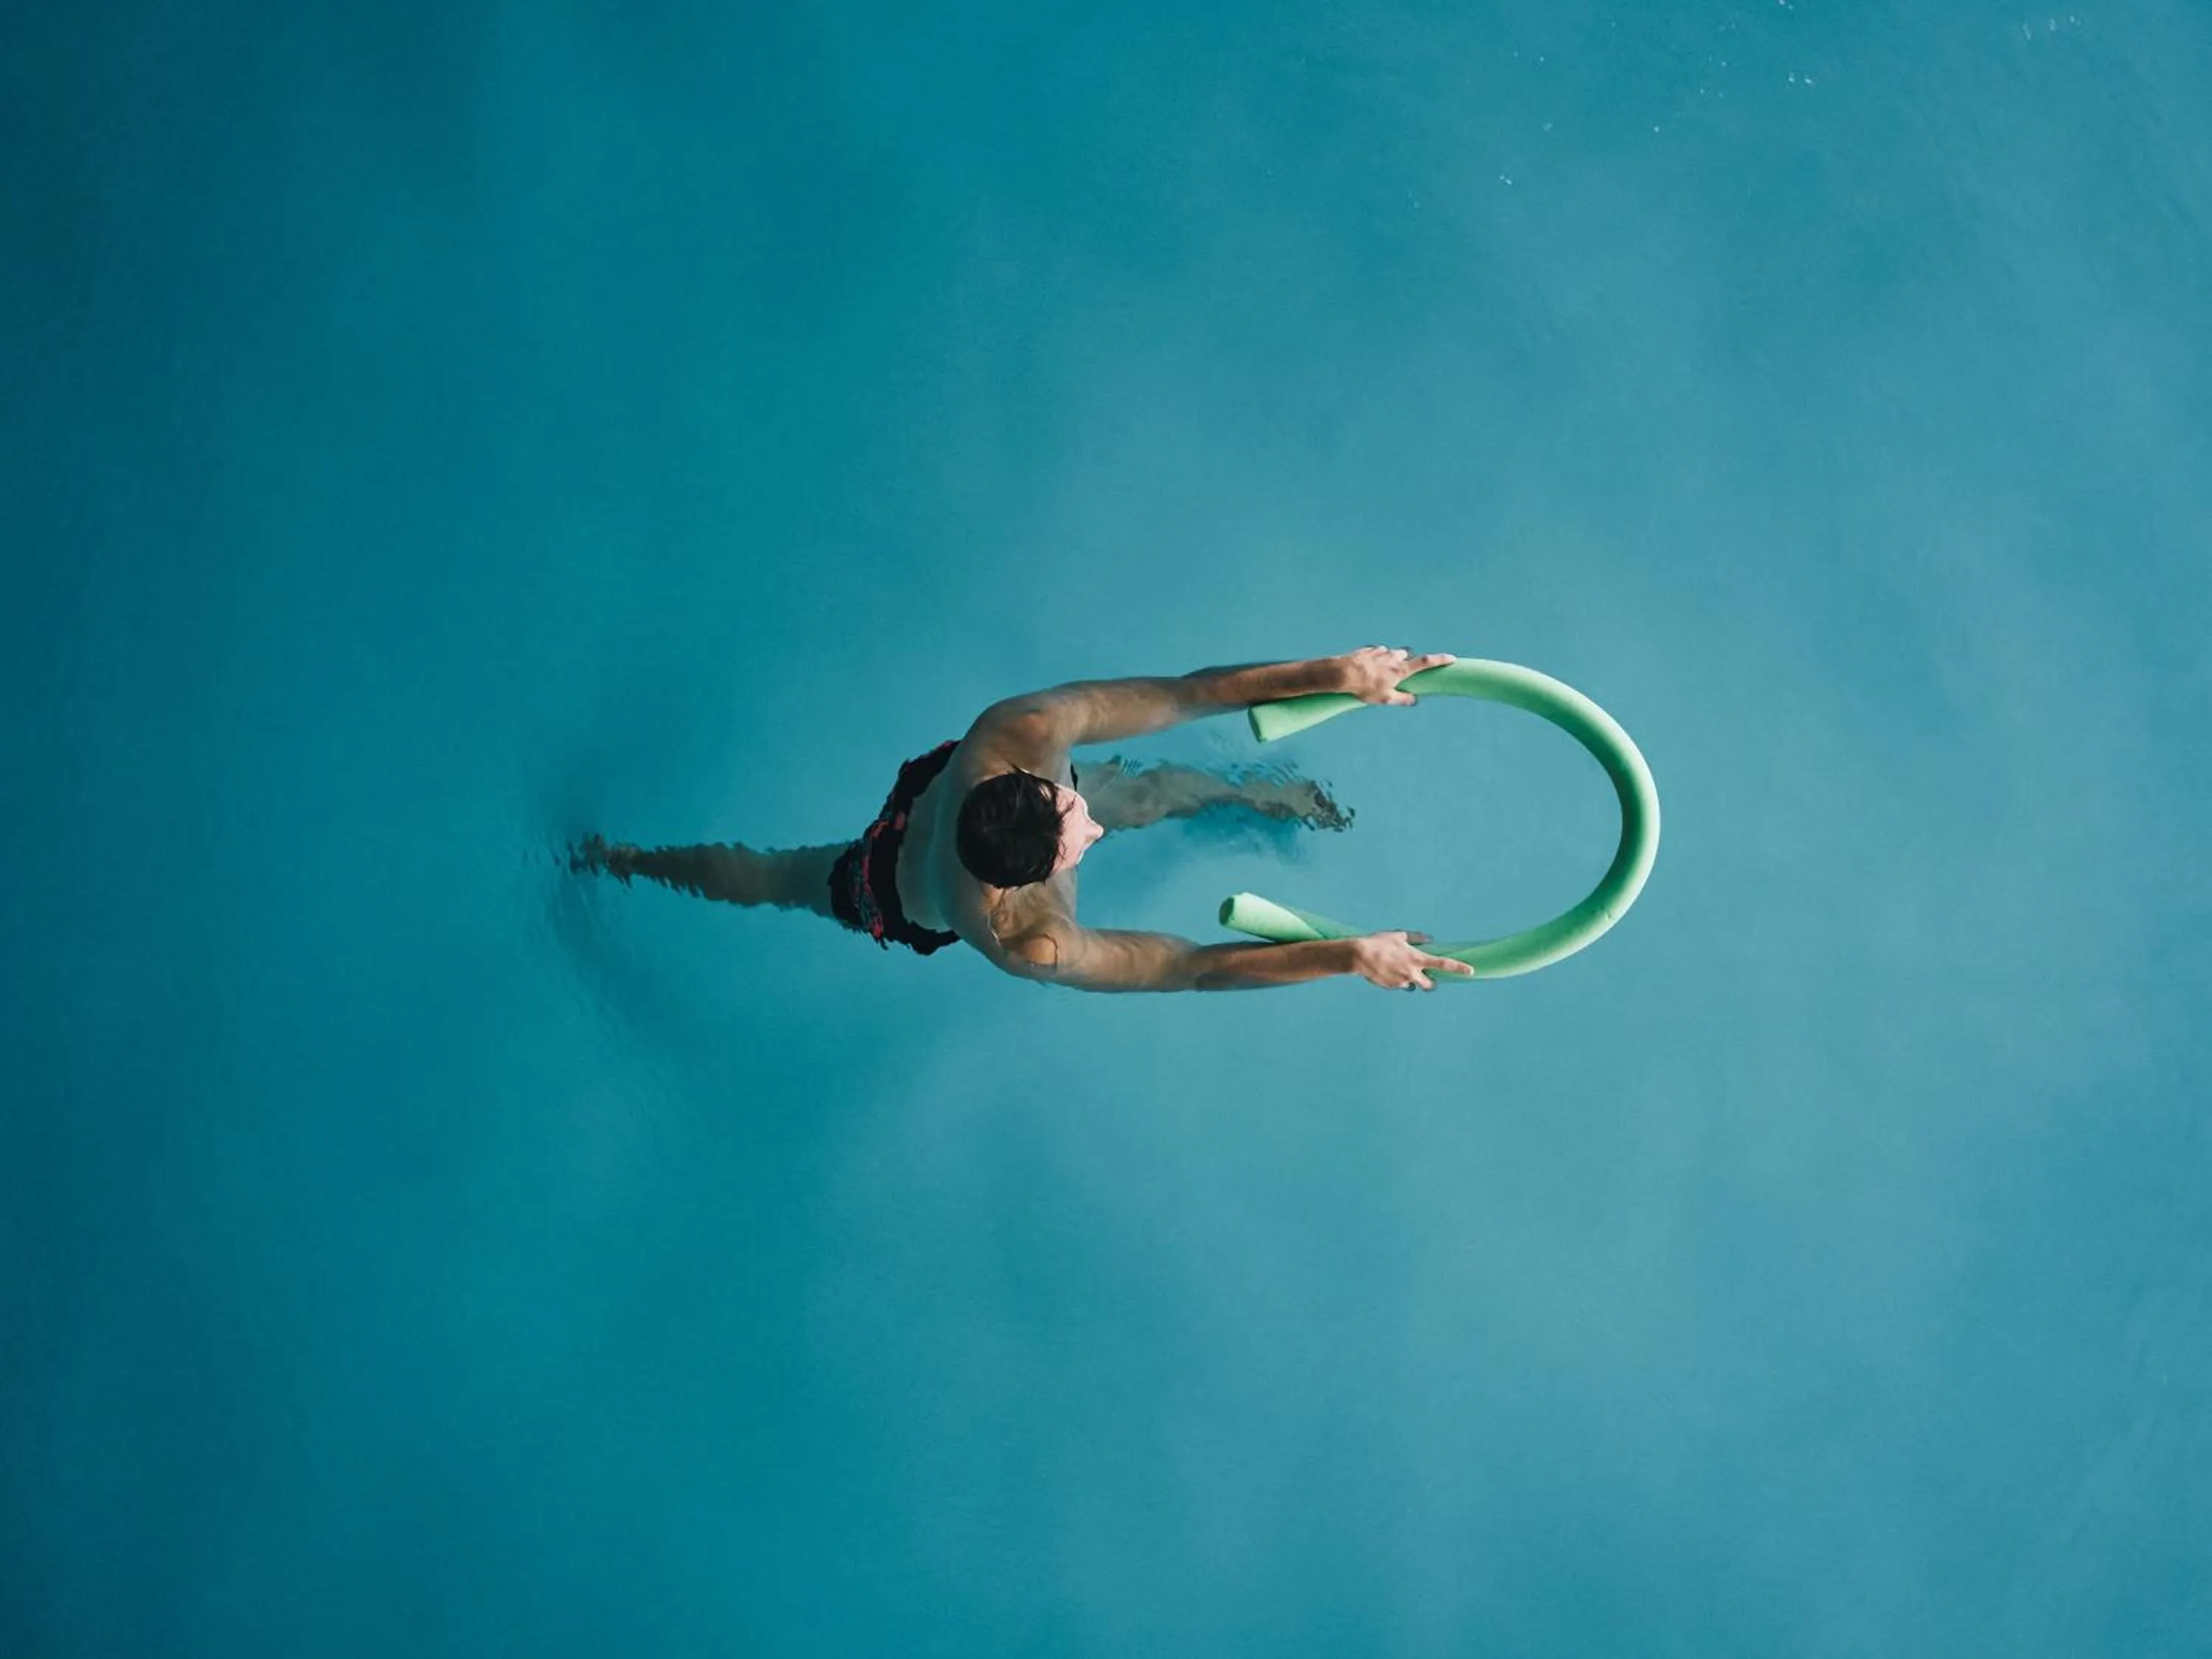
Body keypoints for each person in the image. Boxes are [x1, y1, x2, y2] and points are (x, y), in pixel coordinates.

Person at [573, 646, 1478, 992]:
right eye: (1076, 833)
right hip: (877, 888)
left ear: (1026, 783)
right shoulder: (1027, 938)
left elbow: (1185, 692)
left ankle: (1251, 794)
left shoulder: (1023, 735)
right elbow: (1191, 971)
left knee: (1141, 788)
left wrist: (1333, 674)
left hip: (930, 798)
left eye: (1066, 802)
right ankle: (625, 861)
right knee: (773, 879)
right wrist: (1348, 955)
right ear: (1030, 883)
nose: (1086, 816)